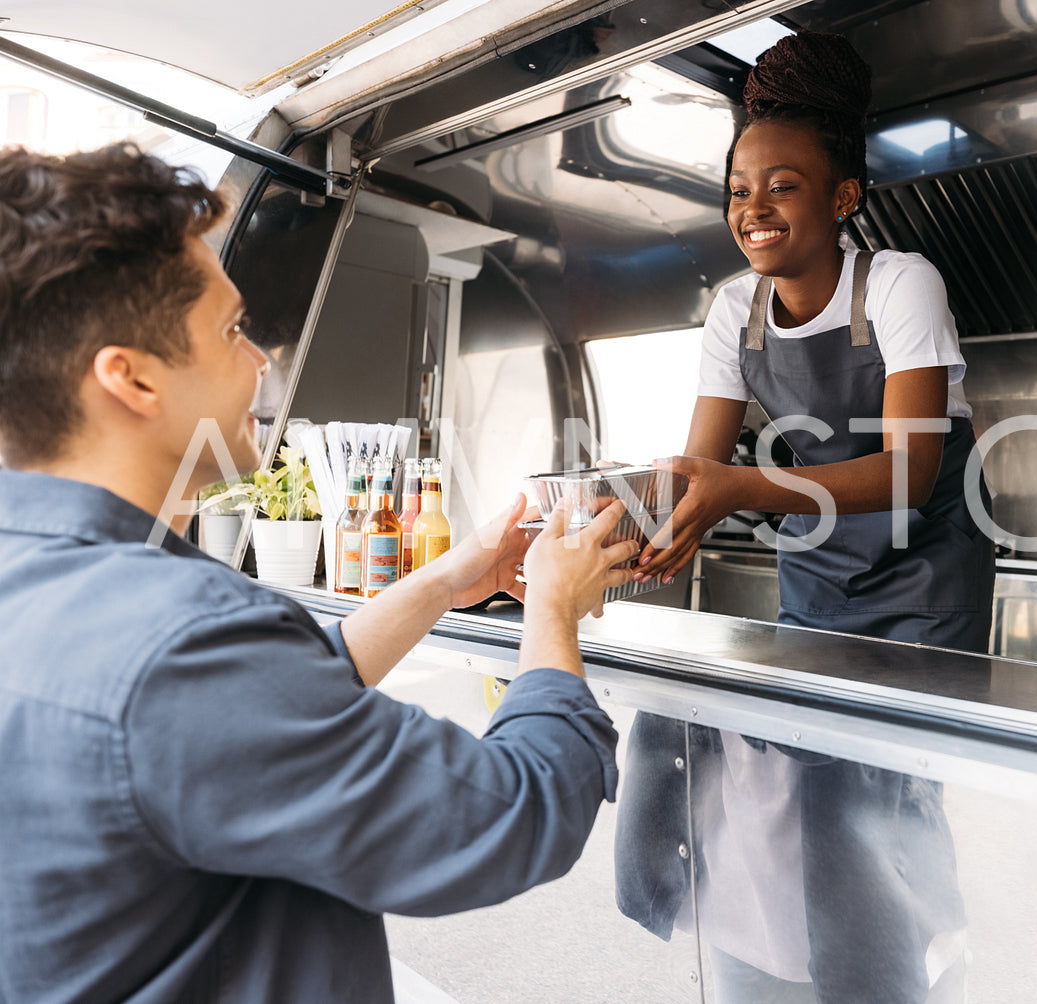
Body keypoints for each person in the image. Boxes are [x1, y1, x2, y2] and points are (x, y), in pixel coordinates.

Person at [0, 143, 638, 1003]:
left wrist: (445, 581)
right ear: (133, 378)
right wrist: (554, 612)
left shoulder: (64, 591)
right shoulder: (178, 642)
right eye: (230, 331)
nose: (260, 360)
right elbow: (505, 817)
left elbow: (257, 719)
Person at [617, 32, 984, 1003]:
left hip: (920, 596)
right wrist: (633, 522)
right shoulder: (732, 312)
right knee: (803, 800)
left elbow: (908, 472)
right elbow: (697, 469)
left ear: (842, 198)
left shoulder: (900, 285)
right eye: (738, 188)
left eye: (781, 185)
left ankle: (905, 973)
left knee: (883, 809)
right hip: (815, 587)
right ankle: (817, 974)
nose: (752, 208)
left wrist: (736, 491)